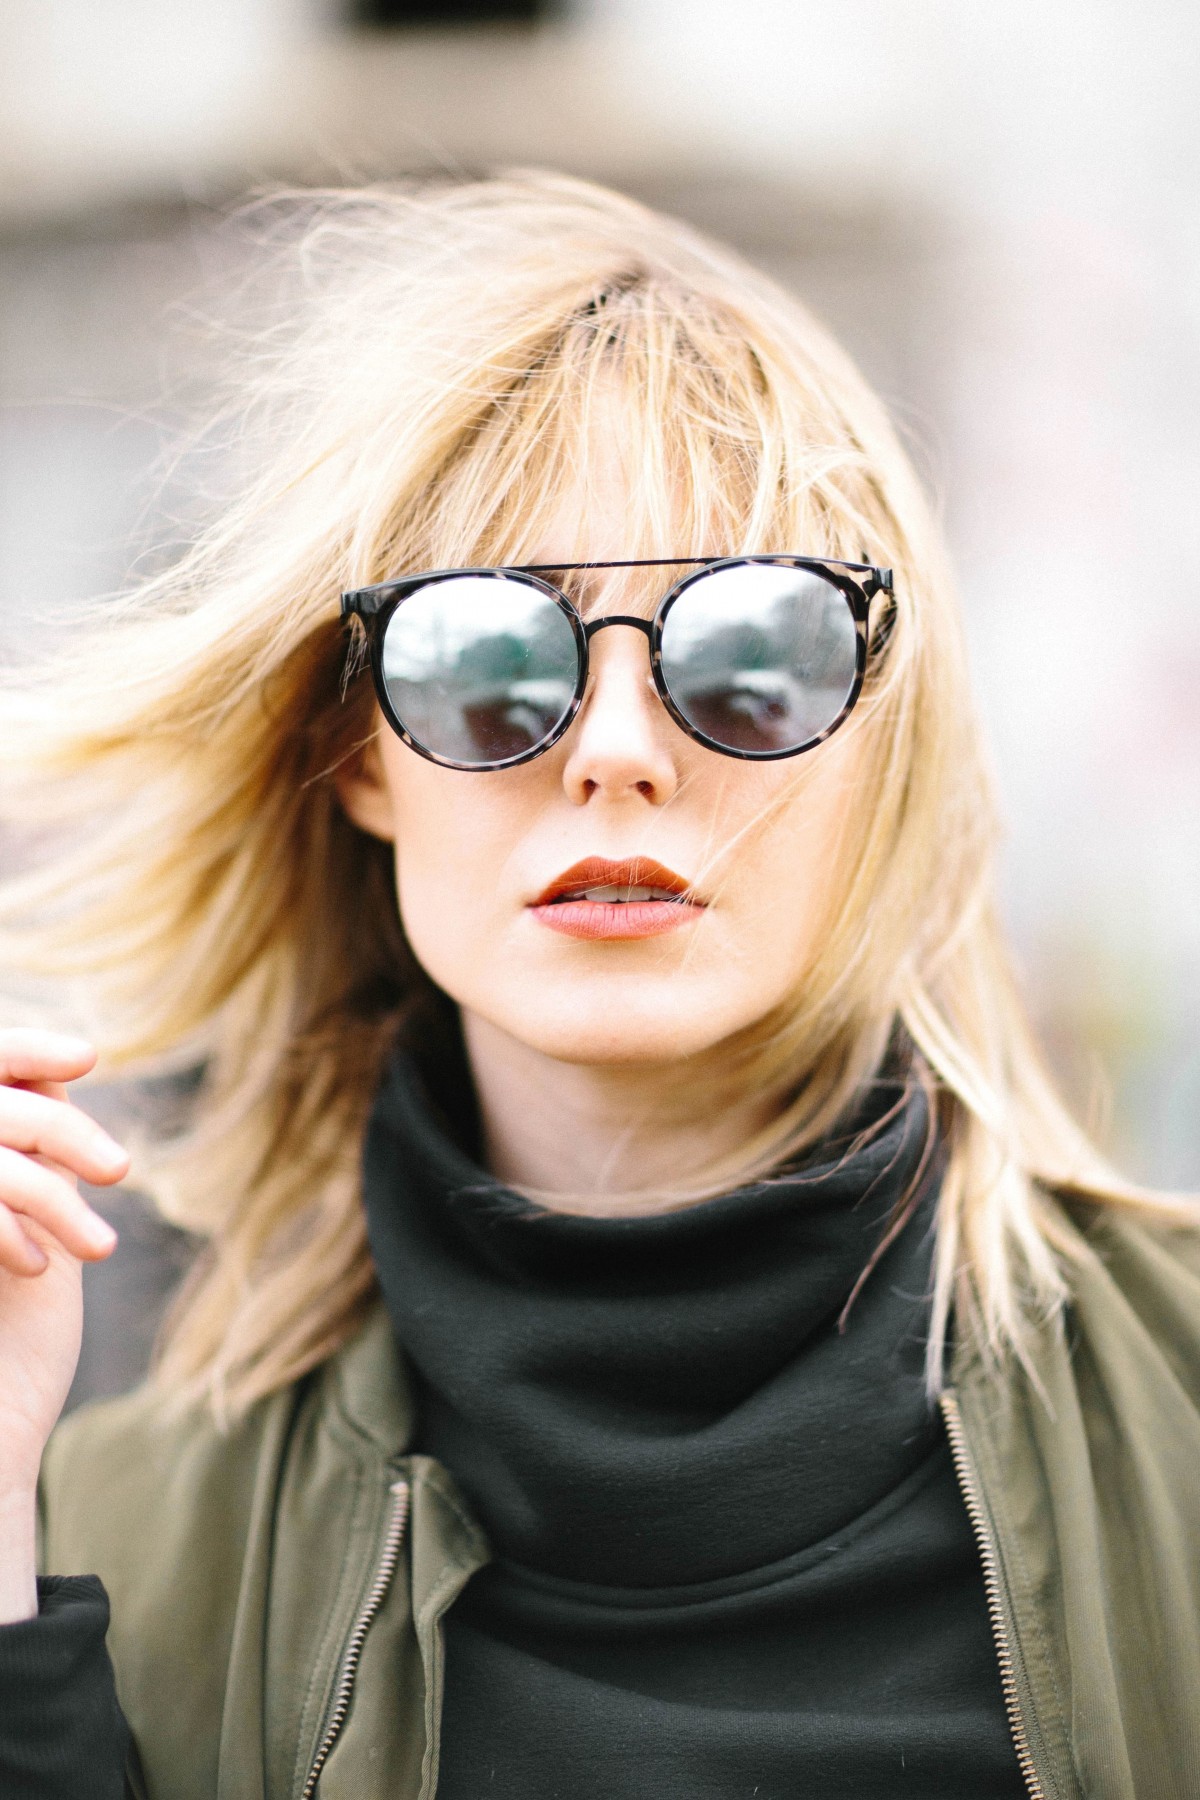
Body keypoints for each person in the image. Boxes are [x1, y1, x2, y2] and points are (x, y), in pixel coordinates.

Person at [0, 173, 1196, 1800]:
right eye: (485, 662)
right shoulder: (115, 1532)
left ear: (882, 741)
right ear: (358, 754)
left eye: (755, 657)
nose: (617, 751)